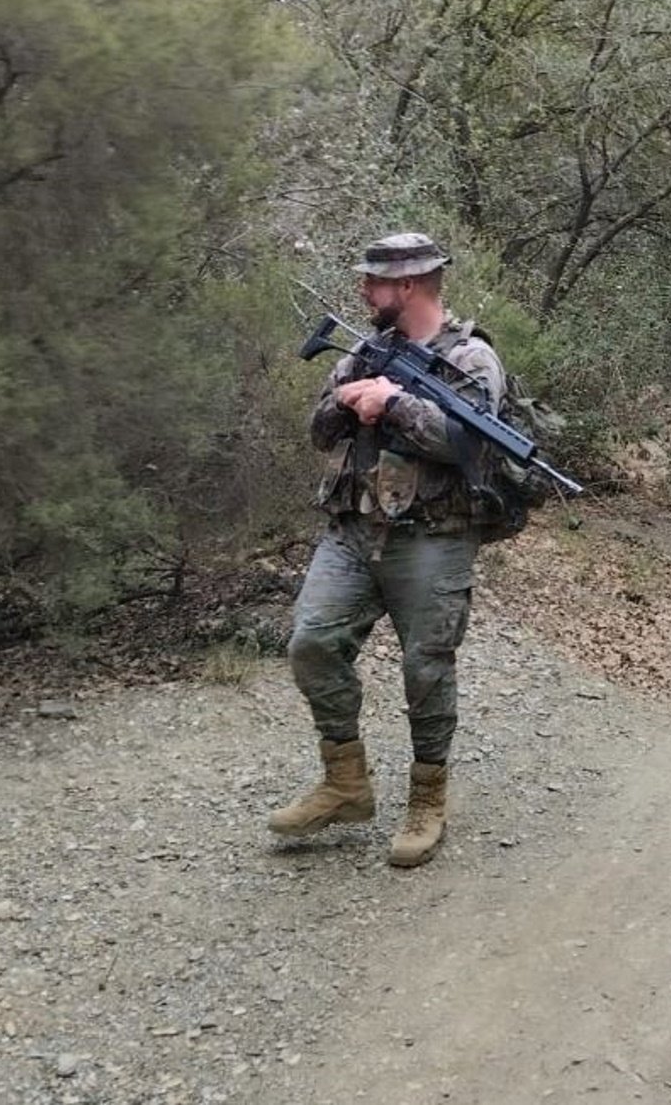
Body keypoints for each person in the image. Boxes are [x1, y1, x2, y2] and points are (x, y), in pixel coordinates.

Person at [268, 232, 503, 868]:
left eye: (374, 282)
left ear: (406, 287)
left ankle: (428, 799)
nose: (363, 291)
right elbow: (320, 432)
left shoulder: (471, 359)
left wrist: (393, 402)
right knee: (312, 641)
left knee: (426, 669)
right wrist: (349, 397)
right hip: (352, 532)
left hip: (433, 537)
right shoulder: (365, 350)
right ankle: (345, 783)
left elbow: (471, 444)